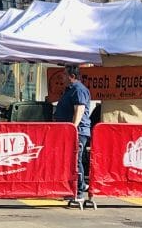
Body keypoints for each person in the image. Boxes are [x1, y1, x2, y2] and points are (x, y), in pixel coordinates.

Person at [54, 65, 92, 199]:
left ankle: (79, 191)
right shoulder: (69, 90)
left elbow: (79, 110)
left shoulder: (78, 90)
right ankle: (71, 189)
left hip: (77, 132)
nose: (62, 77)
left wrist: (73, 129)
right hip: (67, 131)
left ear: (72, 76)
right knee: (70, 160)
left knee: (76, 160)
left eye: (64, 74)